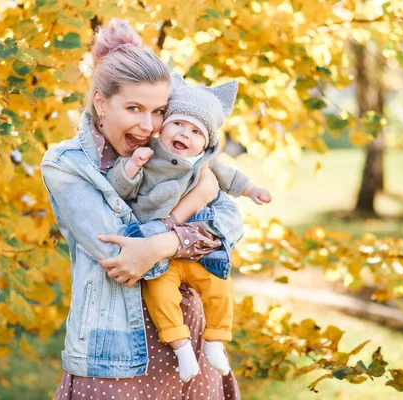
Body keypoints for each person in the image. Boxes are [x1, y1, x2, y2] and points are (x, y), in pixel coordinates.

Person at [41, 19, 243, 398]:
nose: (149, 126)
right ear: (101, 101)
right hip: (116, 356)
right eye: (134, 108)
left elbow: (230, 224)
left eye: (159, 111)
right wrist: (189, 213)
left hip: (193, 340)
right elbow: (121, 255)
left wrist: (162, 242)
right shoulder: (68, 165)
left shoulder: (174, 154)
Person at [106, 74, 272, 382]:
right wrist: (131, 167)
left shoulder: (205, 164)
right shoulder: (149, 155)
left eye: (196, 131)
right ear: (164, 126)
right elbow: (120, 188)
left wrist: (252, 191)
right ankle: (182, 349)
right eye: (178, 124)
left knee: (221, 287)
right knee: (158, 294)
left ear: (206, 143)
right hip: (160, 256)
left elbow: (233, 179)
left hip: (196, 252)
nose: (185, 134)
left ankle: (215, 341)